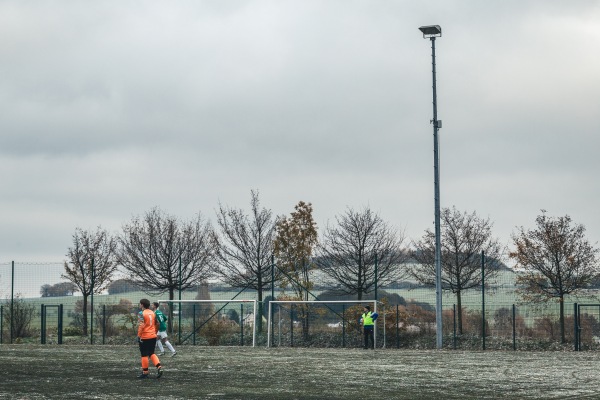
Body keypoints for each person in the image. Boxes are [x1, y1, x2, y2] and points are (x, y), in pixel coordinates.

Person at [137, 298, 163, 379]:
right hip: (152, 336)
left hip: (145, 336)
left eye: (140, 304)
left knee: (144, 354)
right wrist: (154, 332)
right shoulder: (152, 313)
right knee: (151, 353)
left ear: (142, 304)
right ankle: (159, 367)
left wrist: (139, 335)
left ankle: (145, 372)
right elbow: (157, 323)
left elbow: (141, 325)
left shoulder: (141, 313)